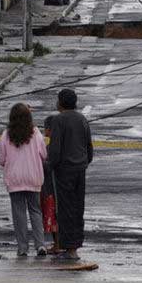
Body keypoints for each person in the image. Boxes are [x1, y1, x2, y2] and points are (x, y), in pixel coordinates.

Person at [47, 89, 93, 261]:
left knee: (65, 209)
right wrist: (84, 162)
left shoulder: (59, 120)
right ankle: (75, 245)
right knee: (77, 207)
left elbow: (55, 149)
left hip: (64, 171)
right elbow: (89, 146)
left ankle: (69, 248)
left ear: (61, 103)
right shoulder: (82, 119)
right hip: (80, 169)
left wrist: (50, 165)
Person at [0, 103, 48, 257]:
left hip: (15, 179)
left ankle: (22, 247)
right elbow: (44, 155)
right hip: (33, 177)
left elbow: (1, 159)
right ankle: (40, 244)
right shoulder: (35, 133)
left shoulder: (6, 135)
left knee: (19, 213)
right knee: (35, 211)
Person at [41, 115, 60, 253]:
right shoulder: (59, 144)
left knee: (53, 217)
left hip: (51, 188)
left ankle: (57, 245)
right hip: (59, 187)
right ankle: (58, 244)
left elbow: (49, 166)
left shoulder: (51, 146)